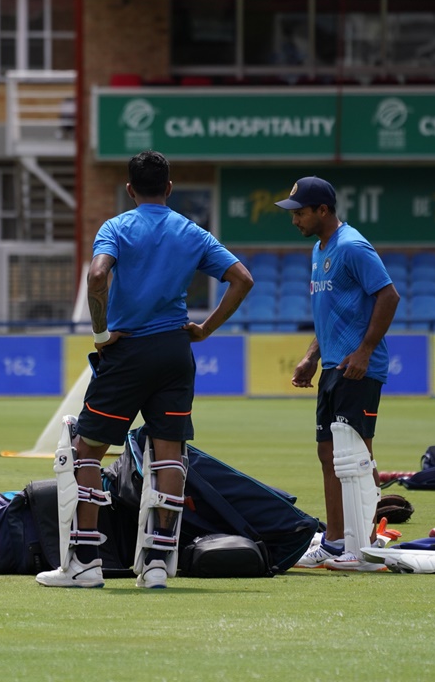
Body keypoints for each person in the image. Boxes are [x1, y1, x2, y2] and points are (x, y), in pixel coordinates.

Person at [36, 150, 254, 590]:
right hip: (175, 351)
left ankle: (83, 563)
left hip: (128, 352)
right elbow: (242, 279)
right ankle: (155, 564)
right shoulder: (191, 231)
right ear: (170, 188)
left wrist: (101, 333)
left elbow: (98, 276)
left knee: (87, 450)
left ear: (130, 189)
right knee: (169, 452)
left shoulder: (116, 227)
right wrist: (206, 329)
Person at [276, 176, 400, 572]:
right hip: (333, 367)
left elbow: (388, 295)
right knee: (328, 453)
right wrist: (312, 356)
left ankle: (361, 543)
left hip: (357, 369)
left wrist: (363, 351)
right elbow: (331, 314)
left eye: (300, 212)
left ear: (323, 210)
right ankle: (334, 541)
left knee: (355, 456)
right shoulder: (319, 249)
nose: (294, 219)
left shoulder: (352, 246)